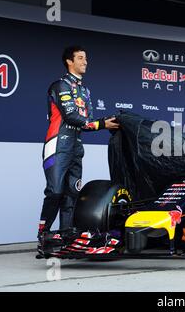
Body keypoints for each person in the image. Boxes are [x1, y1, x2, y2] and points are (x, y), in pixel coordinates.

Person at [38, 46, 119, 246]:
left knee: (72, 193)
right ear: (69, 61)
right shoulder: (60, 86)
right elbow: (72, 117)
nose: (85, 62)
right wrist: (102, 124)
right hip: (57, 145)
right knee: (55, 191)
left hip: (76, 147)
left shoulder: (85, 90)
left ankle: (67, 233)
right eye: (81, 58)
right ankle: (44, 233)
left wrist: (105, 122)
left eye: (86, 58)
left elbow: (87, 122)